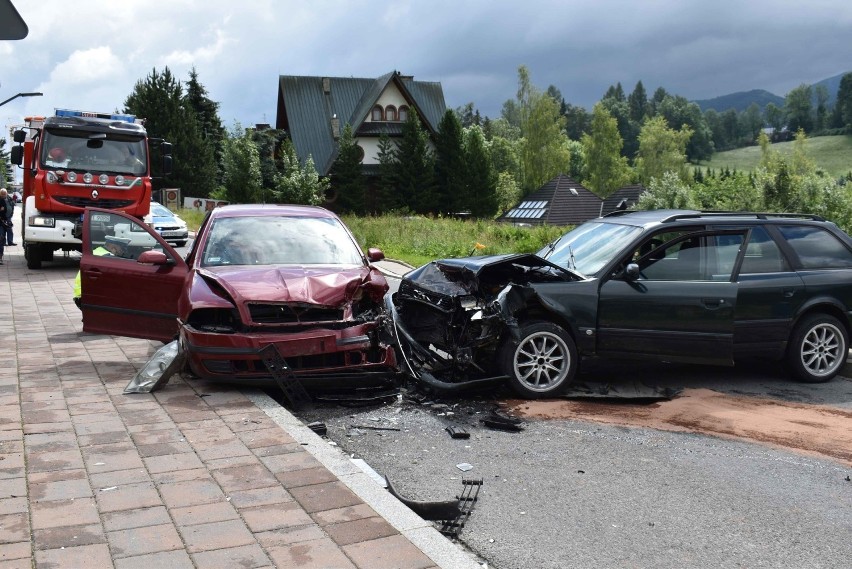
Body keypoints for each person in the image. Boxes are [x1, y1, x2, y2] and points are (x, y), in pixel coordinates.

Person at [72, 236, 132, 309]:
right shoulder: (107, 257)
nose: (123, 251)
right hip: (87, 297)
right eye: (122, 248)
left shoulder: (97, 251)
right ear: (113, 247)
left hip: (81, 294)